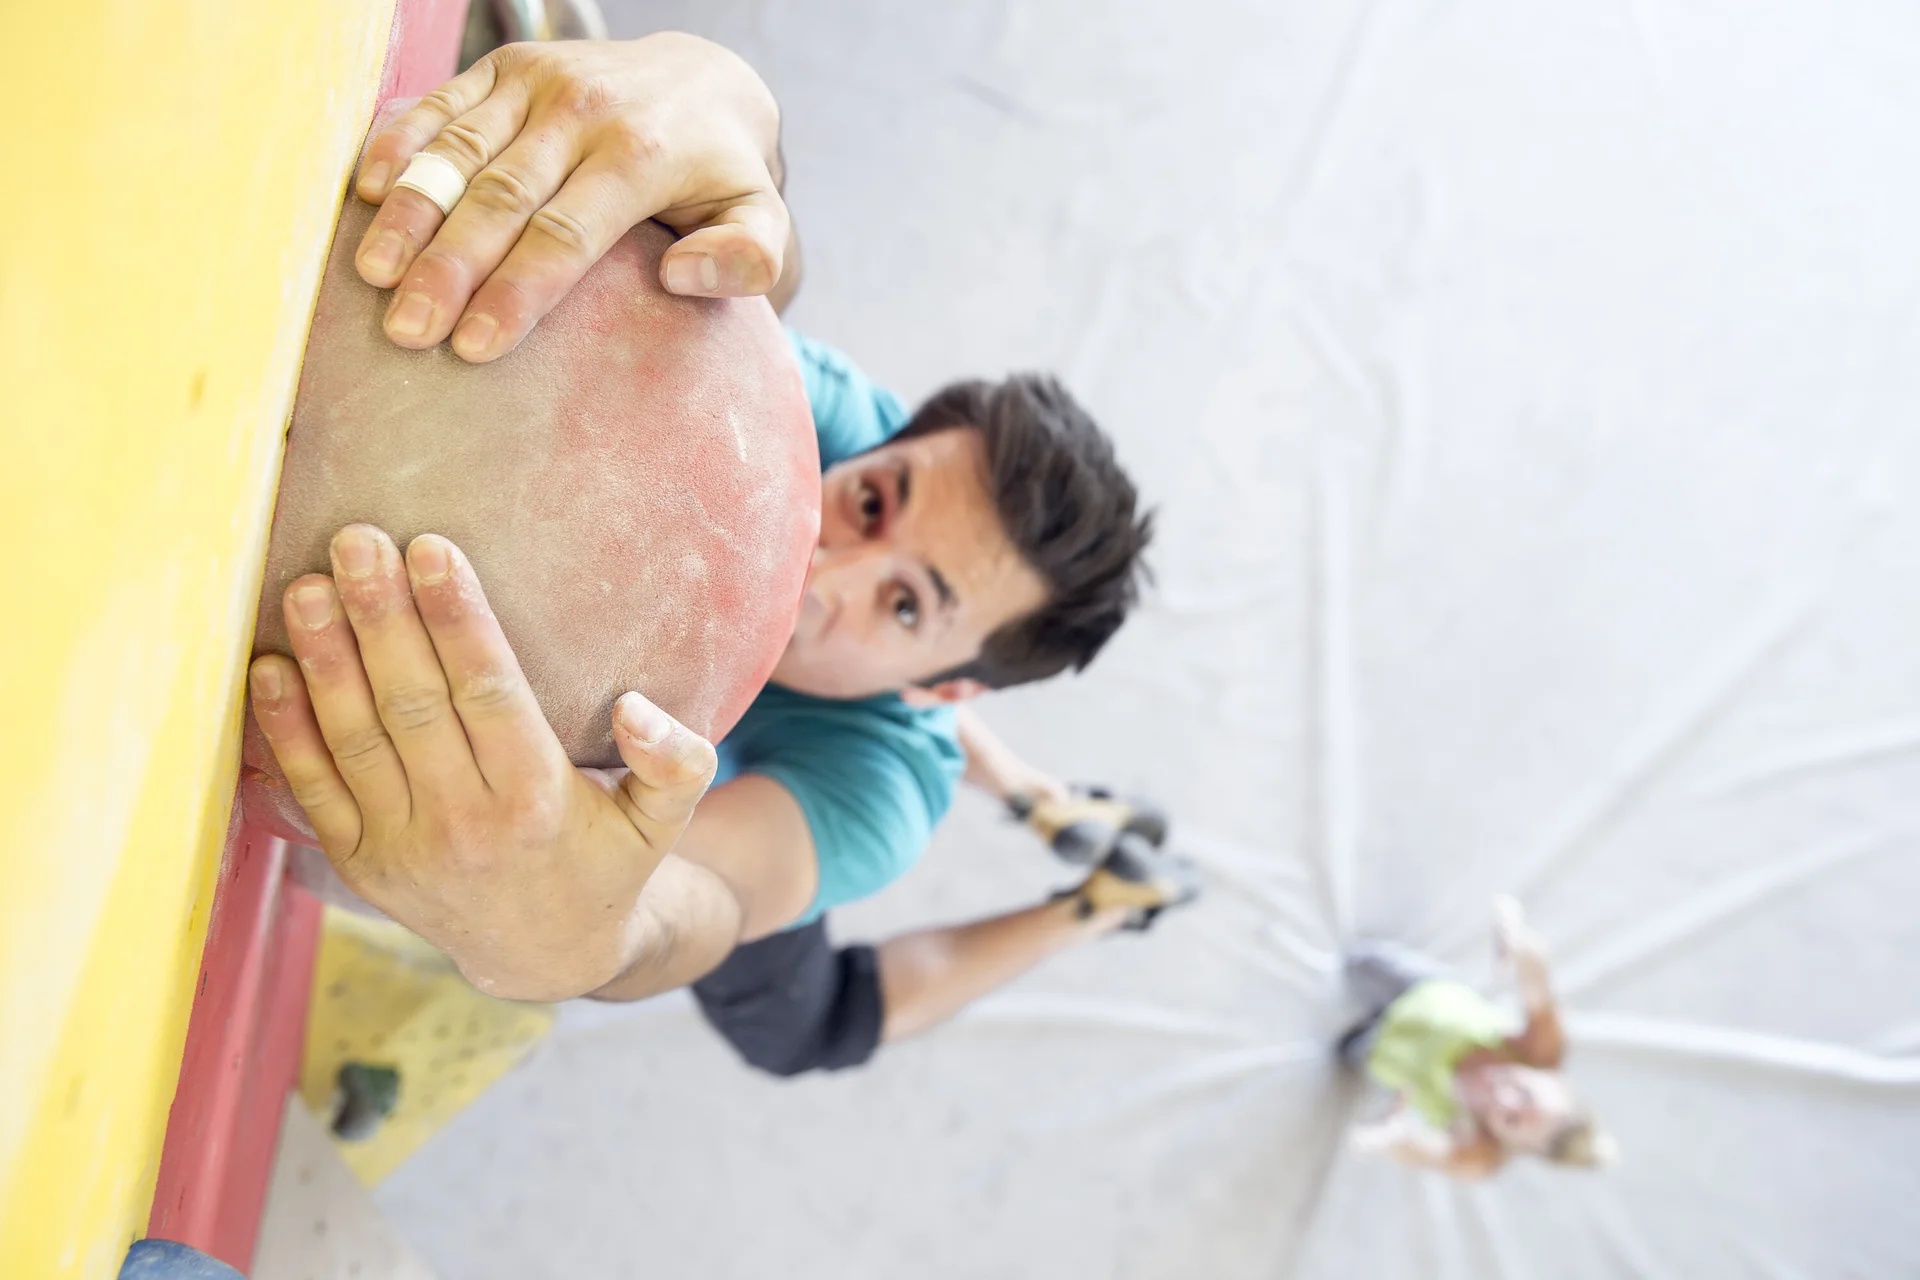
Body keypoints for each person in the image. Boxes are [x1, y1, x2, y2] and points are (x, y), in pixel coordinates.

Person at [246, 32, 1197, 1075]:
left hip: (789, 774)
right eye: (871, 501)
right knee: (895, 598)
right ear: (875, 447)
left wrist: (585, 930)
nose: (823, 571)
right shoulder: (809, 423)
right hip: (912, 678)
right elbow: (751, 273)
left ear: (936, 688)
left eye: (906, 605)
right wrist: (734, 110)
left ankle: (1096, 906)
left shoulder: (874, 789)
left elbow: (695, 901)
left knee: (806, 1027)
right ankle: (1028, 783)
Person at [1340, 897, 1615, 1178]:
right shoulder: (1540, 1052)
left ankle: (1361, 1035)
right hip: (1424, 993)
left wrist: (1395, 1140)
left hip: (1383, 1051)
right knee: (1357, 960)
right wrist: (1518, 943)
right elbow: (1537, 982)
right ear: (1547, 1075)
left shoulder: (1482, 1149)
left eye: (1511, 1120)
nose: (1502, 1098)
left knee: (1344, 1052)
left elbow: (1433, 1153)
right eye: (1524, 1093)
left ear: (1508, 1144)